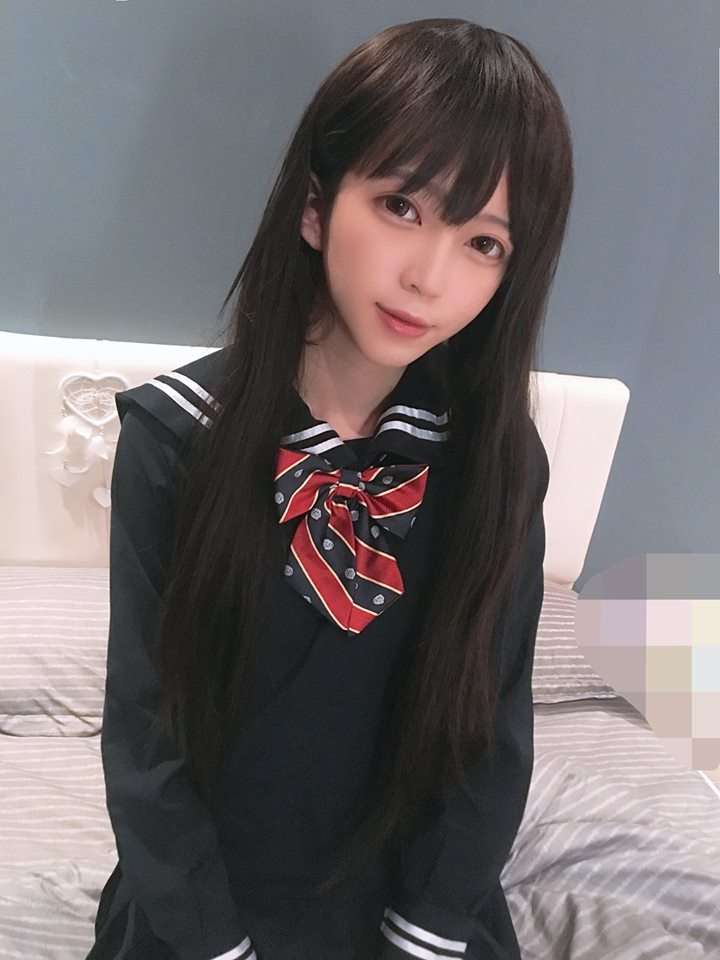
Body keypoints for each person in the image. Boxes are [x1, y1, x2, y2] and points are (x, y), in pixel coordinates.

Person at [85, 15, 572, 960]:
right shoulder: (174, 439)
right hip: (210, 900)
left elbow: (489, 739)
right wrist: (217, 945)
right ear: (316, 206)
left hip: (413, 901)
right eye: (402, 206)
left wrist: (421, 935)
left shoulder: (496, 462)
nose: (429, 277)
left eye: (484, 244)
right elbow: (147, 748)